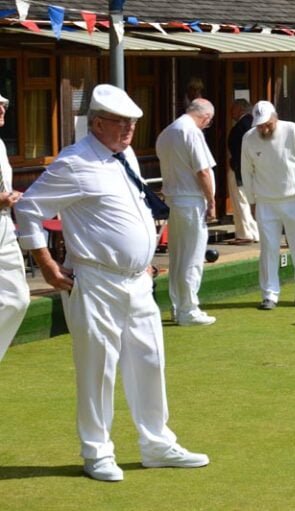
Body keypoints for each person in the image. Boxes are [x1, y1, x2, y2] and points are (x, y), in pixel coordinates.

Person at [15, 84, 209, 482]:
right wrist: (47, 264)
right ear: (97, 123)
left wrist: (144, 260)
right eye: (120, 122)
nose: (128, 129)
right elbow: (29, 210)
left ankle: (157, 444)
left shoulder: (126, 156)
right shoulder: (74, 162)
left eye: (132, 122)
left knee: (150, 361)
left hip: (137, 281)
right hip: (96, 280)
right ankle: (97, 451)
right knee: (97, 368)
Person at [240, 100, 295, 310]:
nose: (264, 129)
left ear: (275, 117)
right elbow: (246, 172)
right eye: (260, 125)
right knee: (268, 250)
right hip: (265, 202)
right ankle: (269, 295)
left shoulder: (292, 131)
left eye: (267, 124)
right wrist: (252, 201)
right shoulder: (249, 138)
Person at [156, 98, 217, 325]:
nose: (207, 125)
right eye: (209, 122)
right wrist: (211, 201)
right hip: (191, 201)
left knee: (178, 257)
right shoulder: (192, 132)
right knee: (192, 256)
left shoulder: (166, 132)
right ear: (206, 117)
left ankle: (178, 307)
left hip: (174, 201)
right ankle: (189, 310)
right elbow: (203, 171)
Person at [0, 91, 31, 363]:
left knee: (18, 298)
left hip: (4, 224)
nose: (2, 110)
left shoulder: (0, 144)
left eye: (3, 105)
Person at [226, 98, 259, 245]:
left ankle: (246, 234)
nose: (230, 112)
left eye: (233, 109)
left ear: (240, 109)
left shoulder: (242, 127)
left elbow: (239, 151)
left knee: (241, 200)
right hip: (253, 170)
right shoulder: (254, 124)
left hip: (240, 169)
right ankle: (254, 232)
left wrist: (237, 168)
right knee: (249, 200)